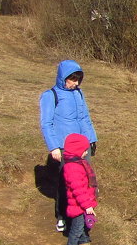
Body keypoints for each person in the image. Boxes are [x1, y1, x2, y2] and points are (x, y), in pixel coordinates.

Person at [39, 60, 98, 232]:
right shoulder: (50, 95)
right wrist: (54, 147)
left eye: (78, 79)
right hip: (65, 148)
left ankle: (79, 216)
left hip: (82, 147)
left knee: (83, 182)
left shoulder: (79, 94)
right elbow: (46, 123)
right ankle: (61, 216)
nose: (75, 83)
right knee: (66, 183)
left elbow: (84, 118)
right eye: (72, 79)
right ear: (62, 77)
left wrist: (91, 139)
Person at [61, 132, 99, 245]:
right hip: (78, 207)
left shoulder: (78, 164)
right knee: (76, 231)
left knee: (82, 229)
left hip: (82, 206)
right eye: (84, 150)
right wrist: (87, 206)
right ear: (77, 150)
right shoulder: (73, 168)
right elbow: (78, 190)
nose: (85, 153)